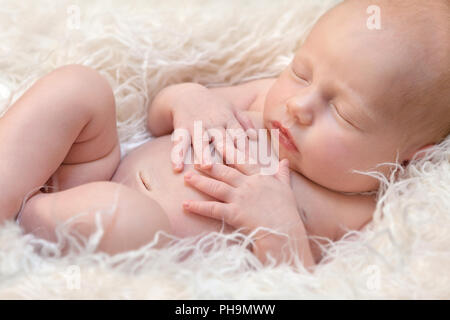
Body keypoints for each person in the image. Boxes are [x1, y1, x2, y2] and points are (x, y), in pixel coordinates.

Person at [0, 0, 448, 268]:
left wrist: (280, 225)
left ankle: (23, 223)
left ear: (409, 154)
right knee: (80, 86)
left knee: (125, 217)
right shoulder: (264, 96)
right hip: (102, 168)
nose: (299, 105)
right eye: (301, 72)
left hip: (135, 241)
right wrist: (190, 99)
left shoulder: (356, 214)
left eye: (346, 114)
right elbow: (159, 118)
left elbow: (304, 283)